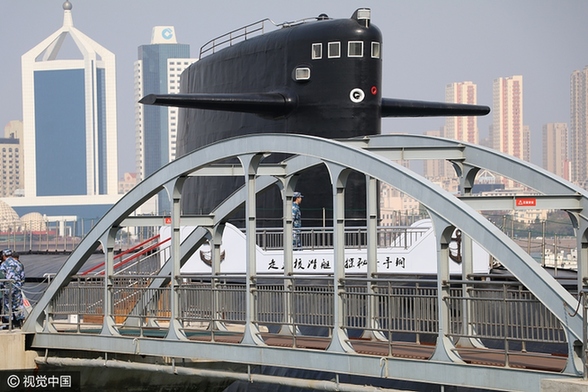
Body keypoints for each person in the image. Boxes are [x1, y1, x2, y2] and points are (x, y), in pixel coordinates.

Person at [0, 249, 25, 328]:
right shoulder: (19, 264)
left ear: (4, 256)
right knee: (18, 304)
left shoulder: (4, 264)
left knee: (7, 305)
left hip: (8, 288)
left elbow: (2, 277)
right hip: (17, 287)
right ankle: (19, 322)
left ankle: (8, 324)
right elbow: (23, 277)